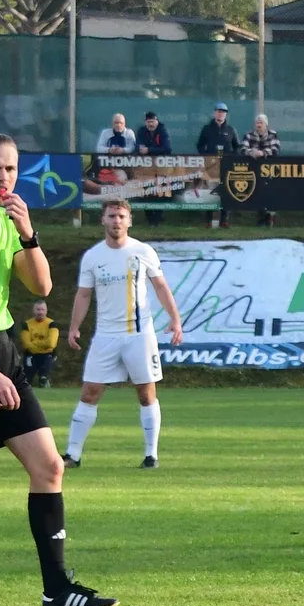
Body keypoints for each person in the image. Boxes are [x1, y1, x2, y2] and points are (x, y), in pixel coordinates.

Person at [0, 132, 115, 606]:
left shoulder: (8, 222)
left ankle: (57, 591)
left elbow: (41, 284)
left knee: (49, 467)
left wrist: (29, 232)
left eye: (11, 169)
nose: (3, 178)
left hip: (2, 349)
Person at [62, 199, 185, 470]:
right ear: (102, 221)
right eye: (111, 216)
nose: (116, 221)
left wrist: (175, 320)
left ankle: (151, 455)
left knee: (145, 393)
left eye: (121, 216)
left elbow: (161, 286)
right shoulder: (93, 256)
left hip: (139, 335)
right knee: (89, 393)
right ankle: (73, 454)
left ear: (129, 221)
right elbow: (84, 294)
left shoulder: (142, 251)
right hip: (105, 335)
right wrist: (74, 327)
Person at [19, 300, 59, 388]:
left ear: (46, 311)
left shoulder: (52, 324)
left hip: (48, 354)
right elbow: (26, 344)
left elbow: (51, 343)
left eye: (42, 310)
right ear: (33, 311)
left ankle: (44, 383)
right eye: (38, 309)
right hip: (31, 355)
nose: (40, 312)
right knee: (27, 378)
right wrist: (42, 345)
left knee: (43, 376)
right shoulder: (27, 324)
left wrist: (35, 342)